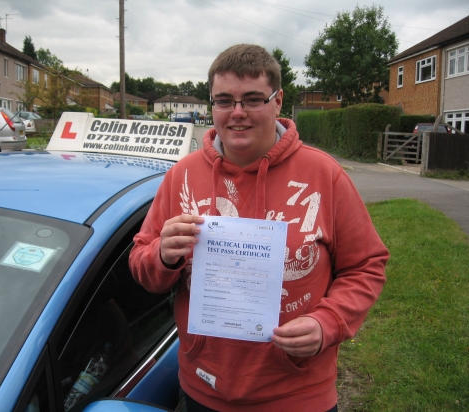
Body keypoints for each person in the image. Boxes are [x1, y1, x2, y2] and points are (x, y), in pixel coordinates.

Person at [129, 44, 389, 412]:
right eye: (224, 101)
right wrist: (162, 255)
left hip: (298, 394)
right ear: (212, 104)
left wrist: (328, 322)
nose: (237, 114)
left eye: (252, 99)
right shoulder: (181, 175)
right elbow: (142, 264)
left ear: (278, 100)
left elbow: (366, 265)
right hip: (205, 390)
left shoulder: (324, 175)